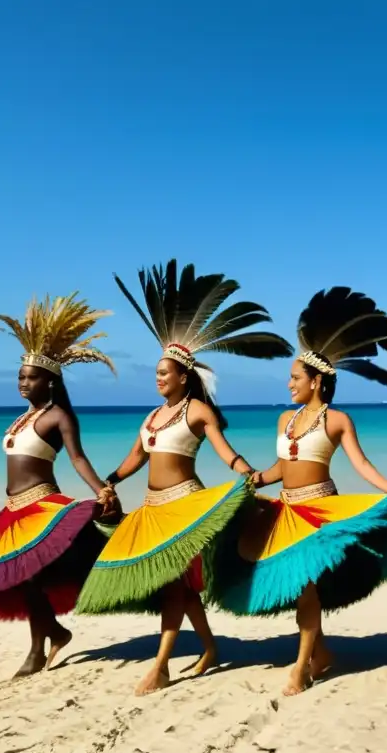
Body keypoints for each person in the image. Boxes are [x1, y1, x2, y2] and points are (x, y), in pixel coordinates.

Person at [74, 259, 293, 696]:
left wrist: (248, 473)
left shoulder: (198, 411)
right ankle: (209, 648)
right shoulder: (153, 416)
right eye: (156, 372)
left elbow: (225, 451)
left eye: (163, 372)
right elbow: (136, 457)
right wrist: (109, 481)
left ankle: (160, 666)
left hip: (185, 505)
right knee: (175, 586)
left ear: (182, 375)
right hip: (152, 509)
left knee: (174, 585)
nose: (156, 378)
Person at [206, 286, 387, 696]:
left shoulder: (338, 421)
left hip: (320, 512)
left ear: (316, 382)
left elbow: (361, 464)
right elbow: (282, 468)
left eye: (295, 378)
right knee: (299, 588)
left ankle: (301, 666)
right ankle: (320, 654)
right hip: (284, 511)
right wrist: (251, 481)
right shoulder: (285, 419)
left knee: (306, 588)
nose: (288, 385)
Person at [0, 294, 117, 678]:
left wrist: (102, 489)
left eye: (31, 377)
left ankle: (40, 646)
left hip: (41, 506)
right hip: (12, 509)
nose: (23, 382)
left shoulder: (58, 416)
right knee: (14, 573)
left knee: (28, 573)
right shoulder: (22, 418)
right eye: (20, 376)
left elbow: (78, 458)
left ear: (50, 382)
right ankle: (55, 632)